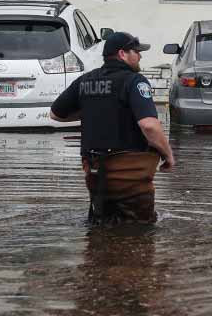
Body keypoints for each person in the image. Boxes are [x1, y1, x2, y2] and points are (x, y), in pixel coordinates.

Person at [51, 32, 176, 225]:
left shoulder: (85, 81)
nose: (140, 56)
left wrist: (91, 110)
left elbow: (56, 114)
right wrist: (168, 155)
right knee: (139, 232)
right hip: (130, 176)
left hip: (95, 173)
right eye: (136, 51)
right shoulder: (135, 81)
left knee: (102, 228)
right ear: (122, 54)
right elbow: (149, 125)